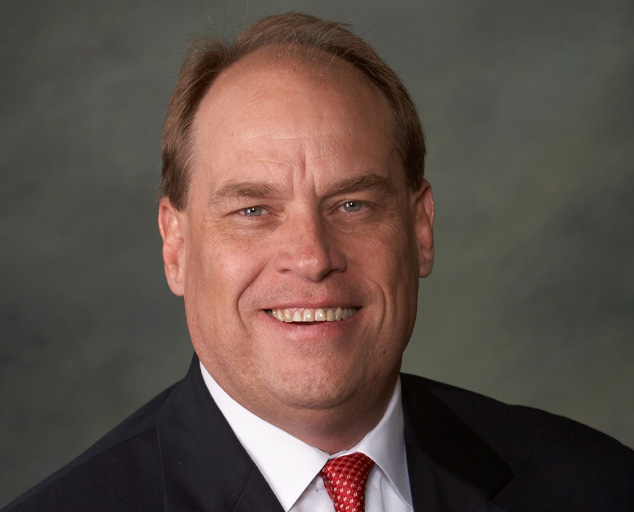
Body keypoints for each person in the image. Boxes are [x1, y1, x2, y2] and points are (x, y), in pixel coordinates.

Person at [3, 12, 633, 512]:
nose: (312, 258)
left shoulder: (598, 485)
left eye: (353, 204)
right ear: (176, 246)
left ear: (420, 229)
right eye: (253, 210)